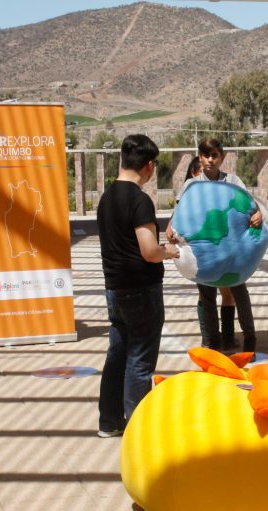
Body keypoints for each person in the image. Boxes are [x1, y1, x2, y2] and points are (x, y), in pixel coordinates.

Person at [96, 134, 180, 438]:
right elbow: (149, 250)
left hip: (115, 289)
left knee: (117, 356)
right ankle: (138, 430)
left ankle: (109, 422)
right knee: (140, 361)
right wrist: (168, 252)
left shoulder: (106, 198)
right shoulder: (139, 200)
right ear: (149, 166)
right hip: (141, 290)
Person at [168, 138, 262, 359]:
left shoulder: (233, 181)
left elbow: (250, 204)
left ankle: (249, 339)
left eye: (214, 156)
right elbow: (180, 210)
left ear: (222, 157)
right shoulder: (191, 185)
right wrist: (170, 226)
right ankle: (213, 342)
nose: (210, 160)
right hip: (204, 253)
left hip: (232, 251)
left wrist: (258, 213)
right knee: (207, 295)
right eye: (205, 155)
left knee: (240, 293)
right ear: (200, 157)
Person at [182, 156, 238, 350]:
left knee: (226, 292)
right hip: (202, 251)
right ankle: (210, 338)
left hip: (222, 247)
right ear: (194, 174)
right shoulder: (190, 195)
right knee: (205, 294)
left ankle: (227, 337)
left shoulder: (219, 191)